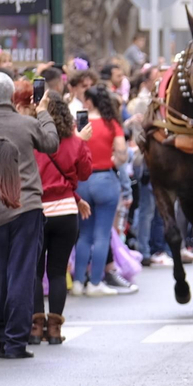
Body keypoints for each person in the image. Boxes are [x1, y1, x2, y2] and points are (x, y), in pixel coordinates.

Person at [0, 72, 59, 360]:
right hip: (26, 206)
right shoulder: (26, 123)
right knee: (22, 272)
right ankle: (15, 340)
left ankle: (4, 333)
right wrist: (43, 113)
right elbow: (52, 143)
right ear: (11, 96)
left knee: (0, 273)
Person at [35, 95, 93, 343]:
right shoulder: (75, 141)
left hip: (38, 210)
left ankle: (36, 327)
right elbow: (85, 173)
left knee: (35, 272)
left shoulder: (34, 139)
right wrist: (82, 142)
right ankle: (55, 329)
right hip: (67, 211)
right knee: (58, 272)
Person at [74, 85, 130, 298]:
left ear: (89, 102)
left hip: (83, 181)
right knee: (102, 235)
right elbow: (122, 154)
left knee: (84, 234)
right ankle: (95, 282)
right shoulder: (112, 123)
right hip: (105, 179)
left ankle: (78, 281)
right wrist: (112, 160)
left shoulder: (80, 123)